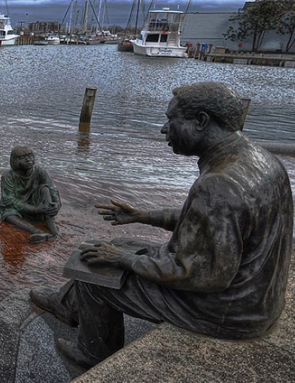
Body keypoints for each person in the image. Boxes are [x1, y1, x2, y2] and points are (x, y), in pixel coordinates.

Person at [30, 82, 293, 369]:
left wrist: (123, 260)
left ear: (201, 121)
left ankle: (92, 354)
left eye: (171, 119)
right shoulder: (260, 159)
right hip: (258, 300)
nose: (164, 129)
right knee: (114, 247)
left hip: (226, 312)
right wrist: (143, 215)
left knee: (98, 276)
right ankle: (67, 304)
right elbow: (210, 223)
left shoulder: (218, 184)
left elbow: (200, 276)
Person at [0, 146, 61, 243]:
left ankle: (51, 223)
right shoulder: (8, 176)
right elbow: (9, 200)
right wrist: (34, 209)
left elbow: (52, 190)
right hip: (17, 208)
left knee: (44, 189)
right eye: (22, 157)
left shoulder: (40, 171)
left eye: (30, 156)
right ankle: (37, 231)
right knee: (8, 214)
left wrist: (57, 204)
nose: (28, 159)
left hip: (34, 202)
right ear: (15, 160)